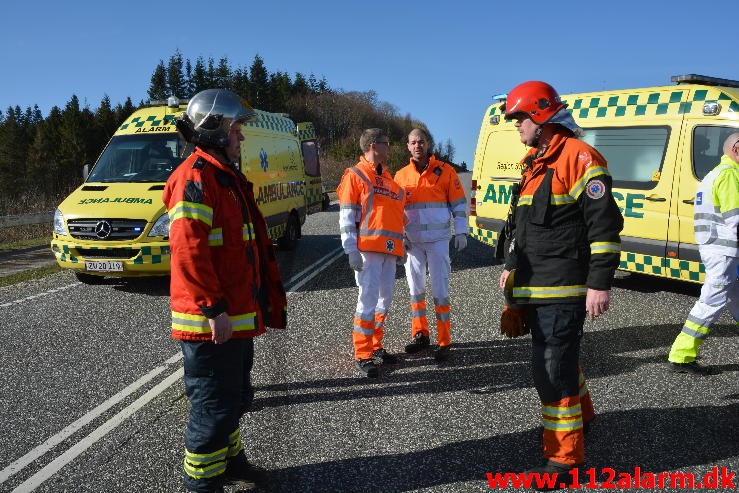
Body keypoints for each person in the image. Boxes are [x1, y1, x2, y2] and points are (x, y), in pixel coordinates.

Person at [498, 81, 623, 486]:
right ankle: (581, 418)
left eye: (520, 119)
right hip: (535, 287)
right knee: (560, 361)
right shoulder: (534, 164)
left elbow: (604, 226)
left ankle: (565, 460)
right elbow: (521, 228)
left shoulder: (580, 158)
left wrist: (600, 283)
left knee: (552, 370)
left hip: (564, 290)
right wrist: (512, 272)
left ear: (540, 116)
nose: (517, 127)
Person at [163, 88, 287, 493]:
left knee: (233, 399)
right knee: (213, 409)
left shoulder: (223, 177)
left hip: (231, 317)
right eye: (237, 130)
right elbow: (189, 253)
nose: (242, 137)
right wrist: (214, 309)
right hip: (210, 323)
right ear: (215, 129)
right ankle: (201, 484)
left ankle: (231, 462)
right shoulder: (195, 179)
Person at [394, 128, 467, 362]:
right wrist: (398, 238)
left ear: (428, 144)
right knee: (415, 291)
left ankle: (444, 341)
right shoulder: (400, 176)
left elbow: (458, 204)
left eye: (421, 142)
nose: (417, 146)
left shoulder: (445, 171)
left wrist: (462, 231)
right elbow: (394, 211)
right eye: (413, 142)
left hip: (438, 242)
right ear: (407, 146)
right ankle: (420, 334)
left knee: (440, 292)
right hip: (412, 244)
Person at [668, 132, 739, 374]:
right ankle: (682, 355)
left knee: (735, 298)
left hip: (720, 250)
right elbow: (736, 219)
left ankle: (682, 354)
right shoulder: (729, 175)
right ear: (737, 149)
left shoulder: (715, 174)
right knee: (711, 302)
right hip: (724, 251)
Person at [337, 128, 406, 378]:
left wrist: (402, 246)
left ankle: (376, 345)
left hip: (388, 251)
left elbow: (397, 217)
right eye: (386, 143)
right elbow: (346, 216)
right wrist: (350, 249)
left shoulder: (387, 179)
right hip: (367, 251)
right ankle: (363, 353)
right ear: (373, 146)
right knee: (367, 301)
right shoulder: (355, 175)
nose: (390, 148)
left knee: (384, 300)